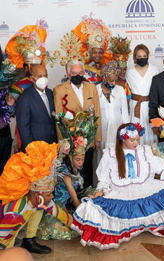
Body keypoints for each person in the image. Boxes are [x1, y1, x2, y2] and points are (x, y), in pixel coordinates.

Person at [72, 123, 164, 249]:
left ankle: (150, 225)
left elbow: (163, 170)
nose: (136, 143)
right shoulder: (110, 154)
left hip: (146, 187)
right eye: (132, 140)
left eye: (138, 139)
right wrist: (98, 193)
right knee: (95, 208)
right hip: (121, 192)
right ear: (123, 139)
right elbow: (104, 180)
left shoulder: (145, 151)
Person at [0, 141, 70, 258]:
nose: (52, 197)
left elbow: (58, 212)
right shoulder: (16, 213)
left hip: (8, 236)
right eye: (49, 195)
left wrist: (81, 225)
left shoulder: (37, 200)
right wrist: (2, 255)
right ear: (38, 195)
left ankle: (24, 243)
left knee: (39, 210)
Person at [37, 112, 97, 241]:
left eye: (82, 159)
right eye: (77, 160)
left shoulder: (77, 167)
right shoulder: (65, 172)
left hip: (72, 198)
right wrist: (84, 215)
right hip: (63, 201)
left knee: (95, 193)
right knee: (65, 225)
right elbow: (73, 195)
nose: (81, 163)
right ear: (70, 157)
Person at [53, 60, 102, 188]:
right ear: (68, 74)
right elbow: (59, 118)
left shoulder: (91, 88)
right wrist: (62, 143)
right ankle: (74, 200)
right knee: (72, 173)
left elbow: (97, 113)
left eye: (81, 72)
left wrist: (97, 138)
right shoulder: (59, 90)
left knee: (88, 169)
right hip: (70, 141)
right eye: (74, 73)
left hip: (88, 138)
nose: (78, 76)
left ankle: (89, 196)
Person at [16, 63, 56, 150]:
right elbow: (23, 128)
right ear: (31, 78)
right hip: (36, 148)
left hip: (52, 145)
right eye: (40, 76)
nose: (43, 79)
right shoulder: (24, 98)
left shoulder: (50, 93)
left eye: (45, 75)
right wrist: (30, 149)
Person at [126, 44, 159, 146]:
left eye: (144, 56)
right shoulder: (129, 72)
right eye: (139, 56)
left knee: (150, 133)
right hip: (135, 106)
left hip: (150, 105)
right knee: (135, 132)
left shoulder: (154, 70)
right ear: (135, 57)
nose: (142, 58)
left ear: (148, 56)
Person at [96, 61, 129, 151]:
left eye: (116, 80)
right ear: (104, 78)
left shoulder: (120, 90)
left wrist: (126, 131)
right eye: (111, 80)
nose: (114, 83)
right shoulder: (95, 90)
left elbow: (125, 112)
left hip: (117, 129)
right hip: (102, 131)